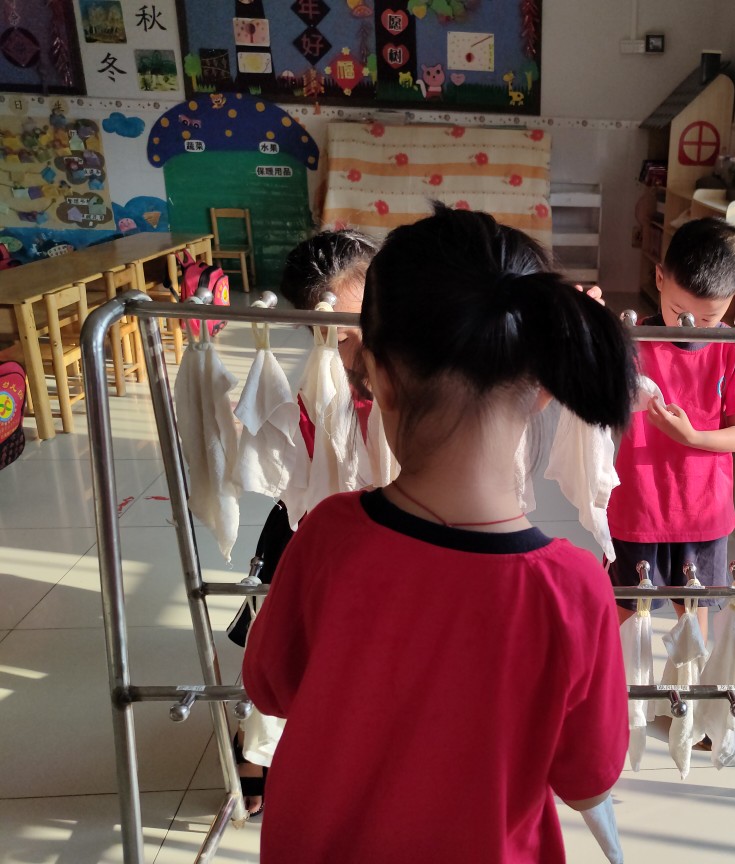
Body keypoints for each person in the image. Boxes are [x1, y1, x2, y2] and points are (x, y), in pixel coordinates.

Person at [242, 204, 637, 862]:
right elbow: (588, 776)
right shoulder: (574, 588)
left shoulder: (327, 535)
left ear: (379, 377)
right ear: (545, 386)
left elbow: (270, 686)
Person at [226, 229, 379, 817]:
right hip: (308, 526)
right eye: (329, 333)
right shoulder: (317, 379)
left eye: (355, 326)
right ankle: (255, 747)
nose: (347, 345)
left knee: (361, 649)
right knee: (282, 639)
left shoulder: (412, 363)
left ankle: (346, 743)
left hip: (381, 526)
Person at [607, 217, 735, 646]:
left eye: (708, 316)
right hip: (640, 504)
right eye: (680, 312)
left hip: (702, 511)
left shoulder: (732, 347)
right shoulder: (634, 339)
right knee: (629, 608)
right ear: (660, 279)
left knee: (693, 612)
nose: (690, 324)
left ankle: (689, 684)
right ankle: (621, 682)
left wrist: (693, 438)